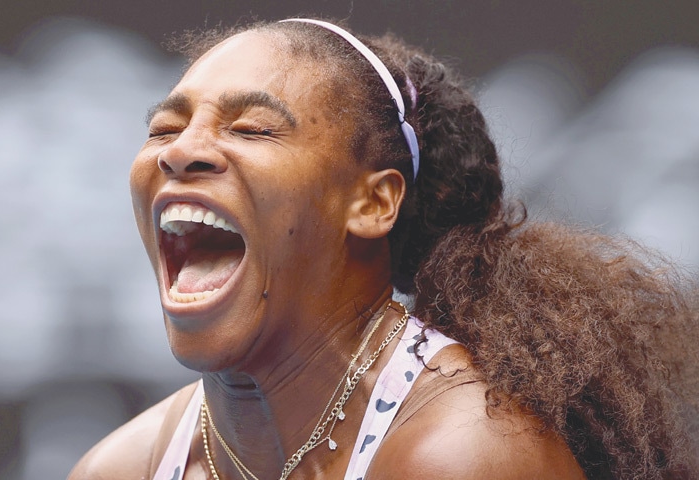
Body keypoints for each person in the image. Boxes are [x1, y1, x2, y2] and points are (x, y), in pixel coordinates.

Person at [69, 18, 698, 479]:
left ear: (373, 204)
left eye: (252, 128)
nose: (179, 151)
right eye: (164, 129)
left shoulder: (468, 457)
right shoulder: (120, 468)